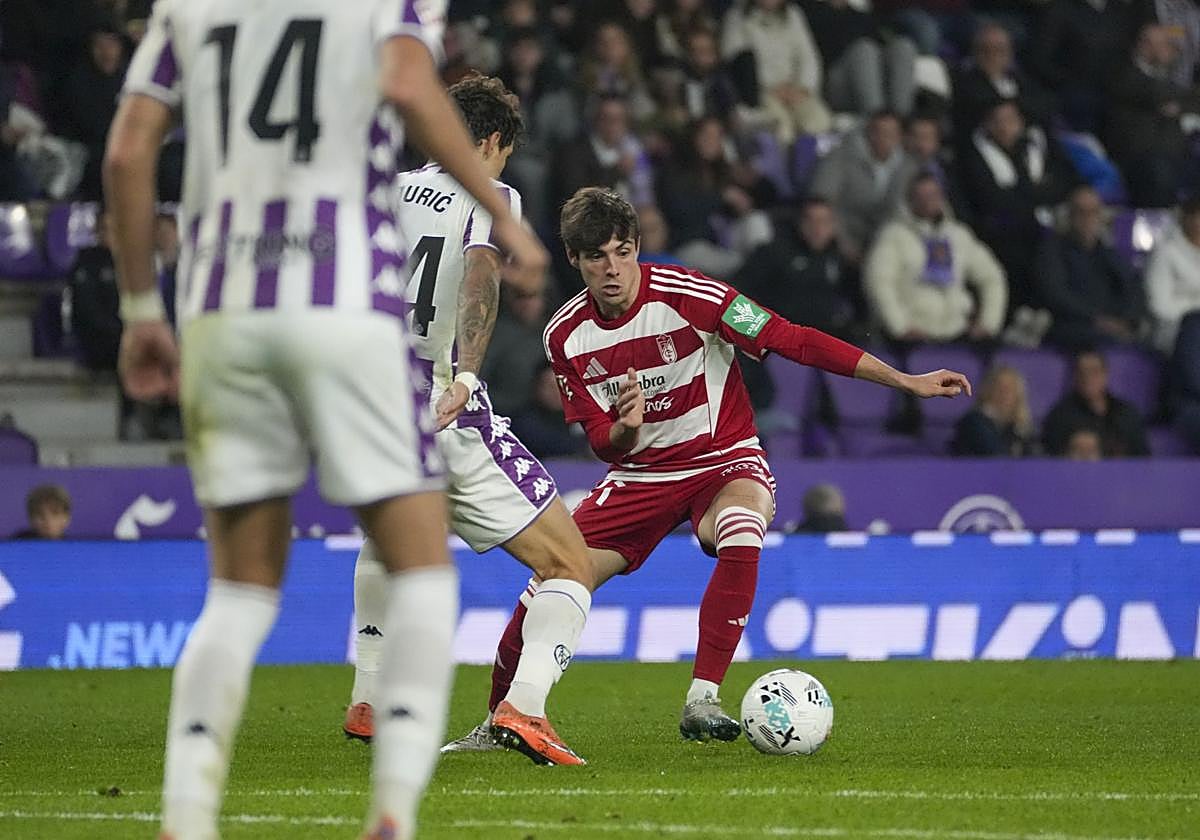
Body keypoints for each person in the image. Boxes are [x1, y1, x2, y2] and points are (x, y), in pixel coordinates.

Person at [105, 3, 547, 839]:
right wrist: (496, 208)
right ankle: (392, 814)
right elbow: (410, 81)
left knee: (237, 590)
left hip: (222, 307)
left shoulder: (187, 9)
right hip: (347, 302)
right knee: (421, 573)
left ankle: (186, 816)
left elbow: (129, 151)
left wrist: (138, 310)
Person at [443, 186, 971, 748]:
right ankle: (499, 721)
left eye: (623, 251)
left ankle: (702, 698)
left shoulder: (695, 295)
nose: (613, 269)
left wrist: (904, 380)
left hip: (724, 461)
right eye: (596, 256)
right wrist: (626, 428)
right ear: (573, 259)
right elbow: (603, 444)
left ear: (637, 247)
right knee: (554, 578)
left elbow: (791, 340)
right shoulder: (564, 336)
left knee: (742, 527)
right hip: (639, 477)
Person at [348, 75, 592, 766]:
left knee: (388, 535)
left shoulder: (389, 189)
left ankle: (369, 694)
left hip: (374, 398)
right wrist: (466, 375)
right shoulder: (491, 194)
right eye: (504, 152)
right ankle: (525, 706)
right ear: (488, 143)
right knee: (570, 563)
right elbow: (481, 269)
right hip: (442, 401)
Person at [864, 173, 1007, 343]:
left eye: (933, 195)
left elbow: (992, 277)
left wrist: (988, 324)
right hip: (911, 340)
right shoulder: (893, 236)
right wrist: (900, 327)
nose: (928, 202)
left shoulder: (958, 235)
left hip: (957, 335)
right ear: (910, 199)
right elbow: (879, 283)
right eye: (921, 196)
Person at [734, 197, 864, 341]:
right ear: (800, 223)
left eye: (824, 222)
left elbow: (857, 300)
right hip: (779, 337)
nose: (817, 228)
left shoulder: (840, 259)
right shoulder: (774, 253)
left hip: (824, 336)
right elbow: (739, 291)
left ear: (834, 226)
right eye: (810, 221)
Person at [1033, 185, 1144, 351]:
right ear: (1070, 215)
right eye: (1081, 212)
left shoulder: (1107, 253)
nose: (1088, 218)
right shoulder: (1053, 250)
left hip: (1111, 324)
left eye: (1093, 212)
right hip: (1072, 326)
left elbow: (1133, 286)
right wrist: (1096, 319)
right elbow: (1056, 295)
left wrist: (1127, 320)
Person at [1106, 24, 1200, 208]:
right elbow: (1155, 94)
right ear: (1146, 45)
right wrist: (1176, 103)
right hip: (1138, 157)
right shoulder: (1125, 74)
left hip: (1173, 155)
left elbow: (1192, 99)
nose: (1175, 51)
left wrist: (1177, 106)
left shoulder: (1168, 81)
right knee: (1159, 172)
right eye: (1167, 45)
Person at [811, 110, 916, 265]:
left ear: (900, 137)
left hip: (886, 243)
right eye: (877, 132)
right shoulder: (839, 157)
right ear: (868, 133)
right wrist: (844, 244)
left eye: (890, 133)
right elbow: (822, 201)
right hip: (841, 237)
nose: (883, 138)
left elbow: (908, 209)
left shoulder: (909, 167)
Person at [1042, 351, 1150, 457]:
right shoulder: (1060, 416)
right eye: (1082, 372)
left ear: (1105, 375)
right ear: (1074, 377)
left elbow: (1144, 458)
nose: (1087, 378)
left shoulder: (1126, 413)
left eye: (1094, 372)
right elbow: (1048, 458)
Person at [1146, 197, 1200, 355]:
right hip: (1175, 331)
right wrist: (1195, 309)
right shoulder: (1165, 252)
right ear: (1186, 218)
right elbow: (1159, 306)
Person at [949, 365, 1038, 456]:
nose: (1005, 394)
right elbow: (995, 455)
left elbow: (1034, 455)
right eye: (1000, 388)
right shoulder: (974, 422)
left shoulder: (1019, 426)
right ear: (987, 390)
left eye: (1011, 389)